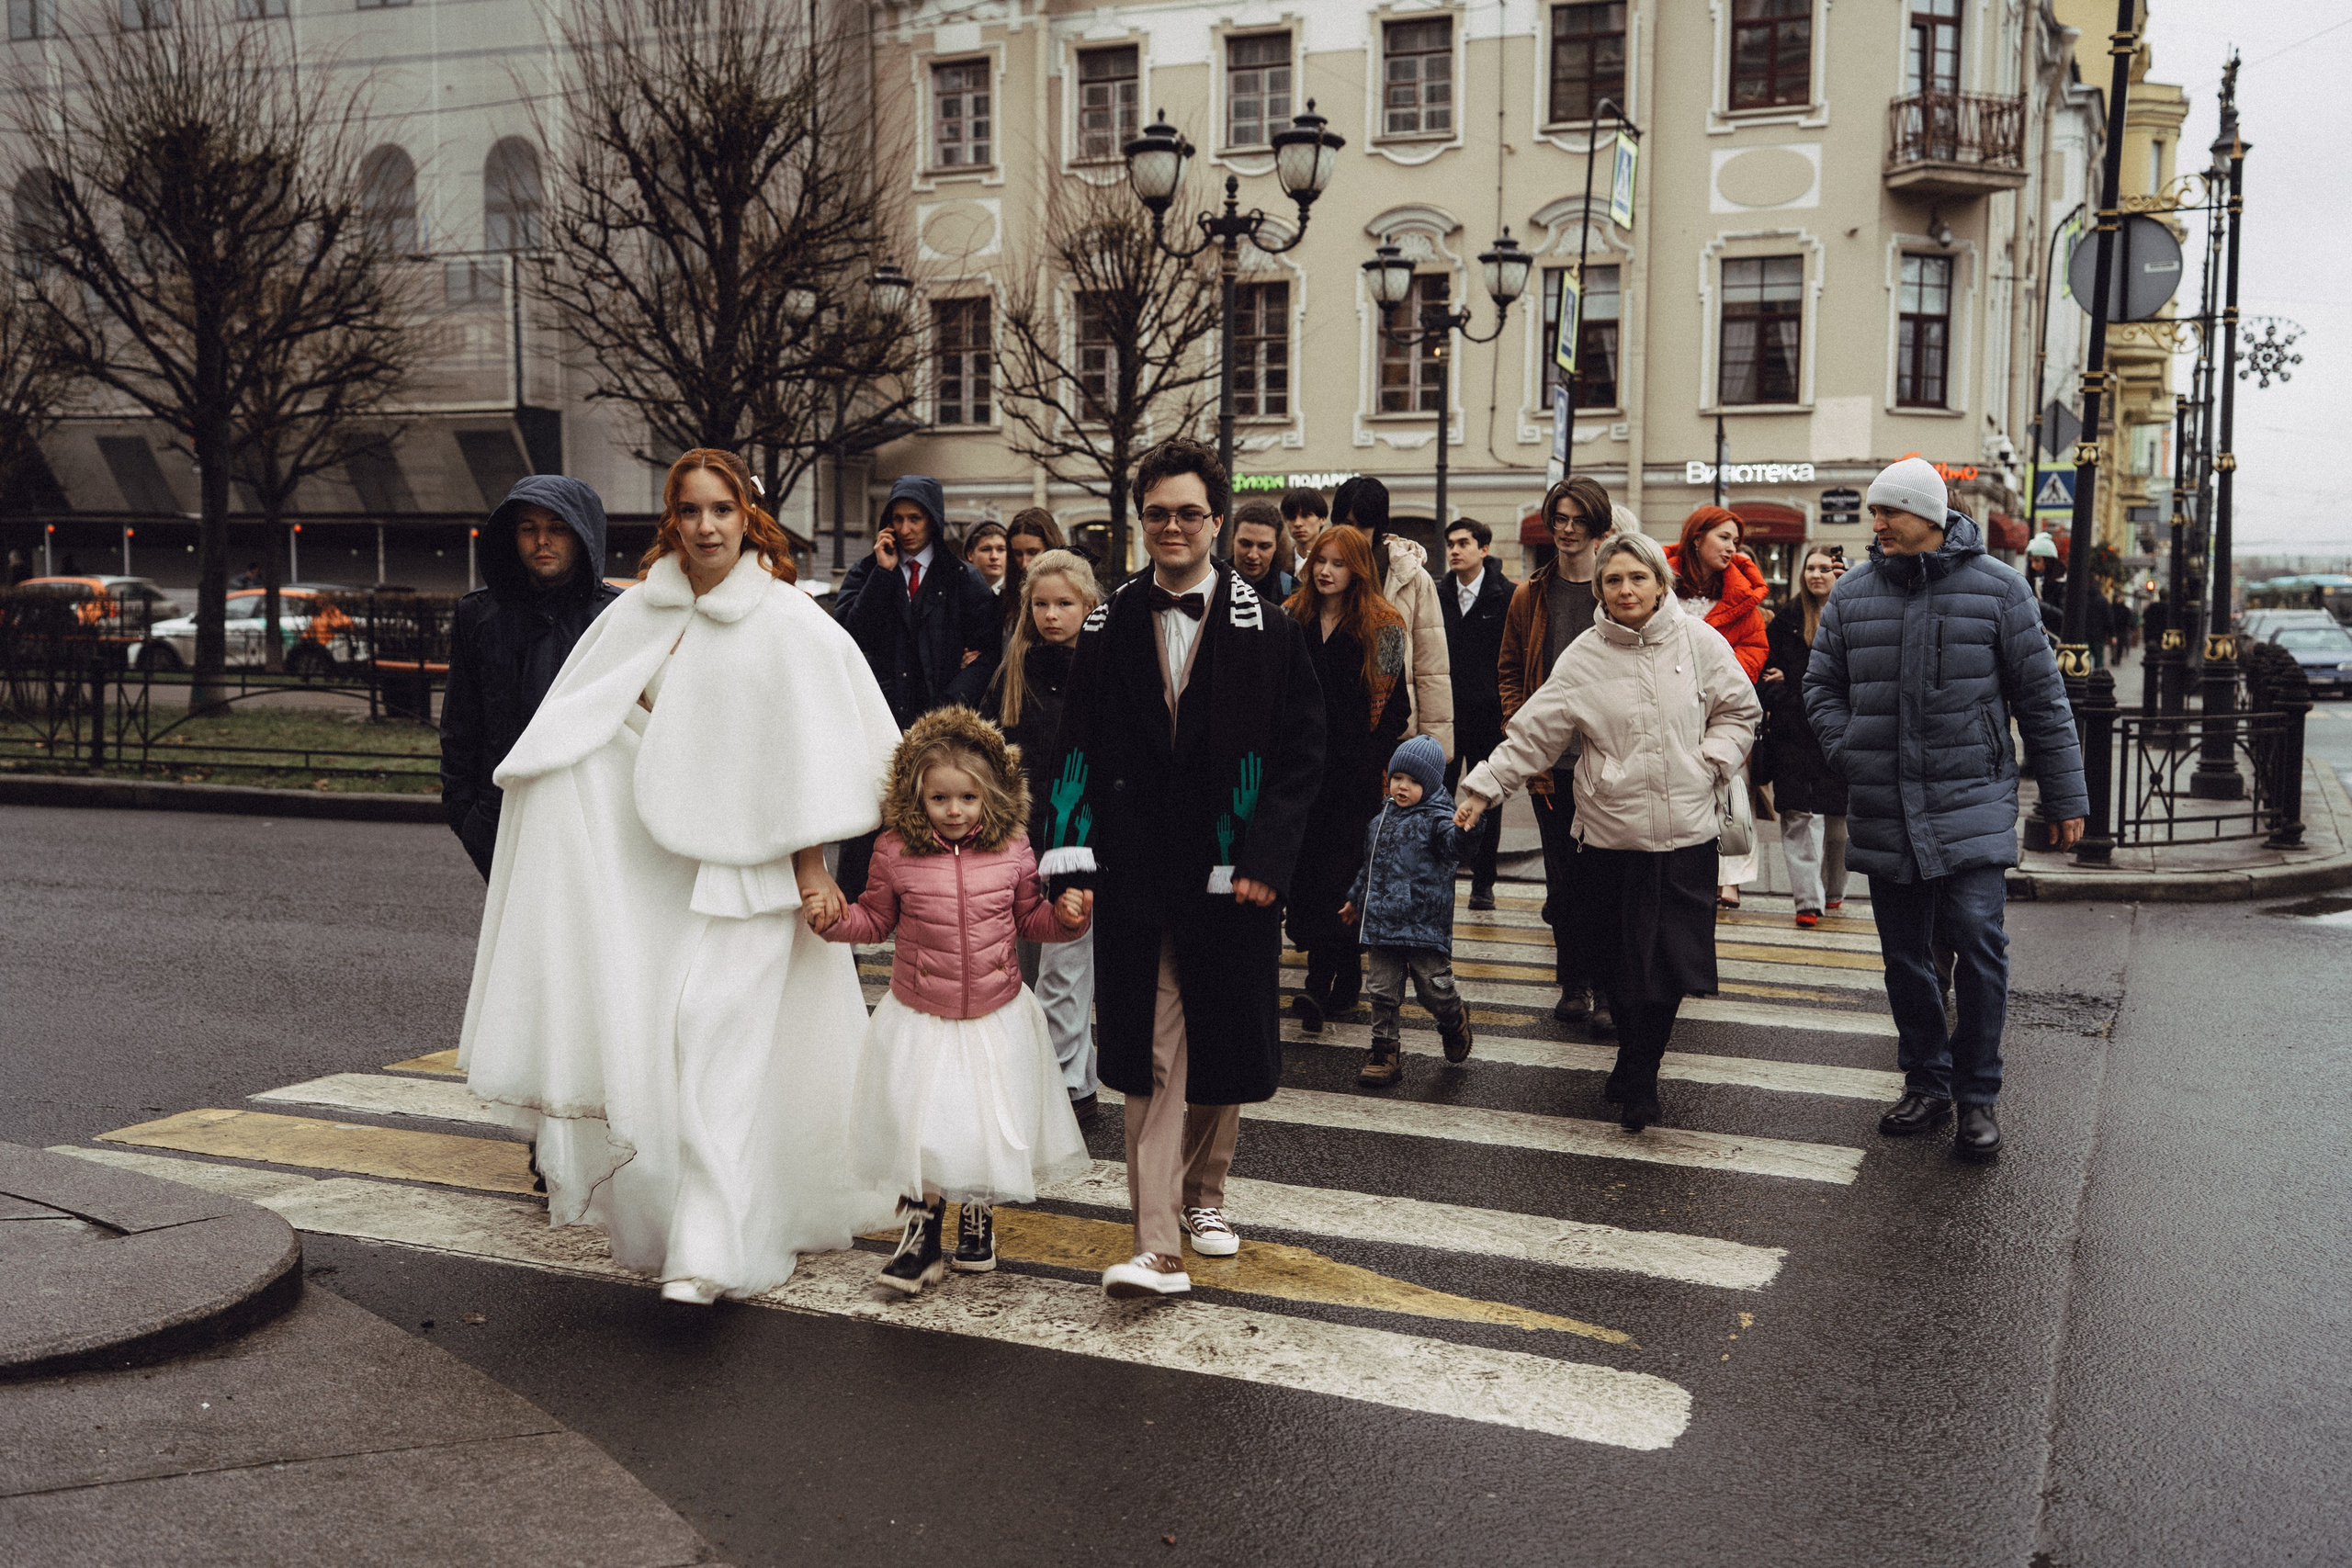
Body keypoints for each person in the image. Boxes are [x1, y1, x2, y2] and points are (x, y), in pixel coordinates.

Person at [458, 448, 903, 1303]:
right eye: (691, 510)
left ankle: (707, 1249)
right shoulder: (637, 616)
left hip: (759, 883)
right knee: (666, 1054)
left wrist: (812, 867)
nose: (706, 526)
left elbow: (819, 754)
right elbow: (583, 725)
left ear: (748, 518)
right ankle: (693, 1228)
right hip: (659, 880)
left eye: (722, 510)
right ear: (673, 517)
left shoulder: (789, 620)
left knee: (718, 1050)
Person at [1034, 435, 1325, 1300]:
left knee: (1221, 1043)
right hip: (1134, 875)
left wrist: (1268, 855)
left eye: (1188, 512)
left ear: (1217, 519)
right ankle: (1156, 1244)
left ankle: (1205, 1193)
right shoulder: (1105, 624)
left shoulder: (1269, 629)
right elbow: (1073, 746)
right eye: (1157, 512)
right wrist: (1069, 861)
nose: (1172, 526)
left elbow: (1304, 753)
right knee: (1153, 1057)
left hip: (1229, 875)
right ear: (1142, 519)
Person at [1803, 457, 2087, 1161]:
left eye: (1888, 512)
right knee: (1906, 957)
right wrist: (1851, 751)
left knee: (1978, 943)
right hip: (1885, 802)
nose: (1876, 525)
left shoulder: (2000, 589)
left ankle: (1978, 1095)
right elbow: (1821, 688)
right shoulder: (1853, 593)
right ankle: (1927, 1081)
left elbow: (2043, 701)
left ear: (1928, 515)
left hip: (1974, 798)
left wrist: (2065, 794)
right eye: (1873, 513)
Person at [1457, 531, 1761, 1132]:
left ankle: (1643, 1072)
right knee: (1620, 964)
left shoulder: (1698, 642)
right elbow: (1533, 734)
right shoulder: (1586, 654)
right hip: (1609, 834)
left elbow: (1740, 710)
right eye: (1613, 580)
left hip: (1686, 834)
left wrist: (1712, 761)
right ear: (1600, 588)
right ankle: (1630, 1053)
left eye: (1637, 578)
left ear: (1659, 582)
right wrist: (1482, 787)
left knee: (1668, 965)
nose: (1626, 589)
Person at [810, 707, 1094, 1293]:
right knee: (924, 1129)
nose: (956, 810)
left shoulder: (1015, 848)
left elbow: (1029, 920)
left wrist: (1066, 922)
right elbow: (875, 919)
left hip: (997, 1012)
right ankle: (919, 1242)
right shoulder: (894, 850)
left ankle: (978, 1216)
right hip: (921, 1014)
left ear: (991, 795)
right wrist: (836, 922)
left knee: (985, 1123)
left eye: (968, 797)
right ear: (917, 797)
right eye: (940, 798)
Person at [439, 476, 624, 879]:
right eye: (529, 528)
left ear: (581, 534)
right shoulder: (479, 616)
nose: (542, 541)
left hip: (592, 821)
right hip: (501, 816)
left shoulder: (617, 617)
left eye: (558, 527)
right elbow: (460, 724)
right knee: (514, 940)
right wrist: (469, 815)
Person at [834, 475, 1003, 896]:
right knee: (868, 824)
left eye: (915, 519)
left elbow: (988, 653)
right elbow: (850, 635)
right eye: (898, 519)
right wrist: (884, 575)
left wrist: (951, 704)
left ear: (934, 521)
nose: (906, 529)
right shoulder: (868, 571)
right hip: (881, 718)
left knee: (937, 828)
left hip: (942, 726)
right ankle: (853, 926)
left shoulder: (962, 578)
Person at [983, 547, 1104, 1122]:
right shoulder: (1014, 670)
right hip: (1016, 838)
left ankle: (1070, 1088)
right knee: (1021, 967)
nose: (1052, 615)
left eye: (1065, 603)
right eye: (1041, 604)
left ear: (1089, 605)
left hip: (1078, 837)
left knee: (1067, 967)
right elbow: (985, 751)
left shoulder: (1107, 668)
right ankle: (1044, 1078)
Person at [1497, 475, 1613, 1026]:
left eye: (1578, 521)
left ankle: (1612, 982)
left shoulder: (1617, 588)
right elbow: (1511, 670)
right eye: (1560, 519)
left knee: (1609, 876)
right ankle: (1574, 982)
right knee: (1564, 878)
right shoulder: (1530, 594)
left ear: (1598, 527)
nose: (1567, 530)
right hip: (1552, 765)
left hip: (1611, 760)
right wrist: (1522, 732)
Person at [1285, 524, 1411, 1034]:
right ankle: (1335, 979)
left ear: (1357, 569)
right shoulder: (1293, 617)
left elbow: (1395, 708)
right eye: (1320, 560)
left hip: (1354, 774)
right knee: (1308, 877)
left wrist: (1372, 759)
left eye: (1338, 563)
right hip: (1301, 768)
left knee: (1340, 877)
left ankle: (1323, 984)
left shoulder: (1384, 626)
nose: (1325, 571)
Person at [1341, 735, 1474, 1087]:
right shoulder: (1380, 819)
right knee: (1382, 990)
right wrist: (1357, 900)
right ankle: (1384, 1051)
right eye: (1399, 777)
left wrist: (1467, 827)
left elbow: (1455, 845)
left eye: (1414, 782)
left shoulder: (1439, 819)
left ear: (1430, 786)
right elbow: (1369, 868)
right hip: (1383, 925)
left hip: (1423, 925)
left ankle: (1453, 1018)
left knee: (1434, 990)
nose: (1403, 786)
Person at [1664, 507, 1770, 909]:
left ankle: (1732, 879)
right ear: (1697, 537)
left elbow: (1755, 648)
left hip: (1722, 708)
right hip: (1670, 706)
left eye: (1735, 542)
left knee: (1731, 791)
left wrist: (1716, 676)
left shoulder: (1740, 593)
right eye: (1723, 537)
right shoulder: (1661, 580)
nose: (1731, 548)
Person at [1758, 547, 1849, 928]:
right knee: (1797, 817)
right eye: (1810, 568)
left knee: (1839, 825)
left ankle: (1833, 892)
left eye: (1824, 569)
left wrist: (1789, 680)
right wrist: (1781, 688)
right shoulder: (1785, 621)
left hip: (1837, 732)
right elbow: (1766, 675)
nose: (1816, 575)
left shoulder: (1851, 615)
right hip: (1792, 733)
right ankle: (1806, 902)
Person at [1331, 475, 1453, 761]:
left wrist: (1434, 749)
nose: (1354, 533)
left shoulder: (1410, 578)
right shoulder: (1322, 571)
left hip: (1394, 729)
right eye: (1346, 524)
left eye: (1363, 525)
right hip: (1334, 727)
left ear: (1379, 526)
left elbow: (1431, 667)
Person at [1439, 516, 1513, 909]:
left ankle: (1483, 884)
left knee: (1488, 800)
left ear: (1483, 549)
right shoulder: (1437, 594)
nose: (1454, 550)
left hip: (1489, 718)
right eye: (1450, 543)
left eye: (1463, 543)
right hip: (1446, 718)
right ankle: (1441, 876)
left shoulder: (1507, 595)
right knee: (1438, 797)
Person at [1228, 498, 1296, 602]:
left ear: (1276, 546)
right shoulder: (1210, 581)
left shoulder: (1293, 592)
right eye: (1245, 544)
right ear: (1233, 539)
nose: (1253, 555)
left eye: (1264, 547)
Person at [1280, 485, 1329, 558]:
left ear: (1322, 519)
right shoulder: (1279, 564)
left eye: (1305, 516)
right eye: (1291, 517)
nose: (1297, 523)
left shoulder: (1335, 559)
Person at [965, 519, 1010, 595]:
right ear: (970, 554)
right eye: (986, 549)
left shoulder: (1018, 594)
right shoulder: (959, 593)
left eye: (1001, 549)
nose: (994, 557)